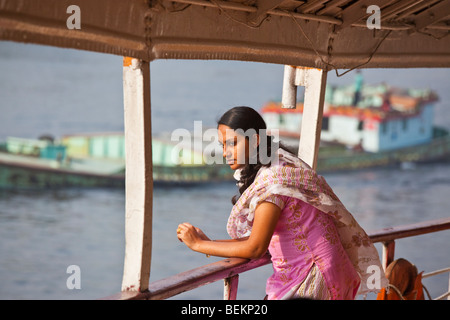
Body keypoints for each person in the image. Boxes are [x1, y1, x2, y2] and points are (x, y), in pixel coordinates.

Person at [176, 106, 387, 300]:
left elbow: (256, 248)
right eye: (223, 145)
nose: (225, 153)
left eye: (232, 143)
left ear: (255, 141)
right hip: (326, 269)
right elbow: (262, 239)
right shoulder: (279, 165)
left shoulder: (273, 184)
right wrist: (211, 243)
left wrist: (198, 244)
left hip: (313, 276)